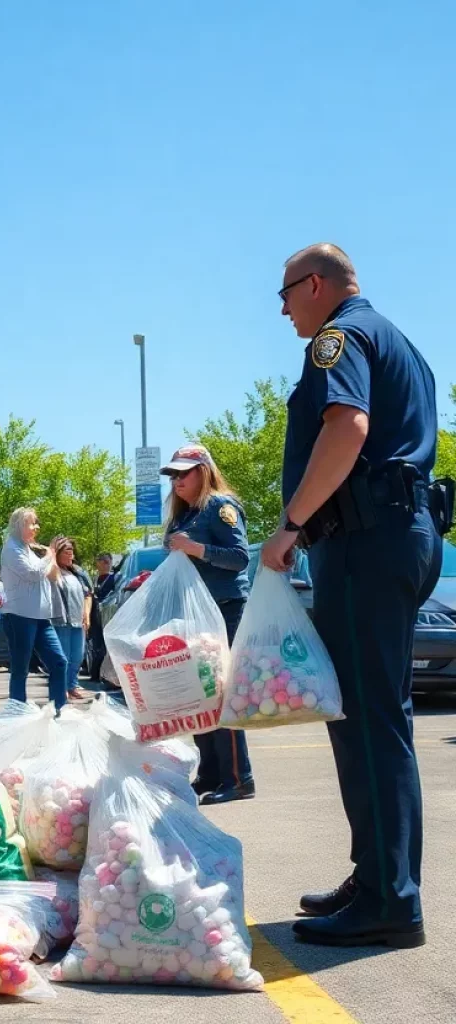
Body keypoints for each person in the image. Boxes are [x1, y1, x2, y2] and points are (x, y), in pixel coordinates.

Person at [262, 243, 441, 948]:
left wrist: (292, 526)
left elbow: (348, 427)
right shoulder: (401, 342)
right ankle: (379, 879)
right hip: (399, 535)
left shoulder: (341, 337)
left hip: (367, 544)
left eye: (283, 294)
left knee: (367, 723)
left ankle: (390, 901)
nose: (281, 309)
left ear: (314, 284)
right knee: (378, 720)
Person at [160, 444, 254, 806]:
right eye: (173, 475)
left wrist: (195, 548)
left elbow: (240, 558)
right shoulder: (184, 517)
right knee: (200, 697)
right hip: (194, 615)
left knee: (221, 695)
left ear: (204, 470)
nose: (177, 480)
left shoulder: (220, 506)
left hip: (224, 611)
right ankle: (211, 774)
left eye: (184, 473)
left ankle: (238, 777)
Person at [0, 508, 68, 710]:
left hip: (41, 617)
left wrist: (51, 558)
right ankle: (17, 712)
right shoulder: (11, 549)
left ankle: (59, 711)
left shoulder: (29, 549)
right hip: (19, 615)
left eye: (36, 523)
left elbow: (51, 576)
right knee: (21, 668)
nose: (36, 527)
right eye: (32, 523)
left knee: (59, 662)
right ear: (19, 525)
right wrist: (50, 555)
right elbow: (32, 574)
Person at [50, 537, 92, 700]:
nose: (70, 556)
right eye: (66, 552)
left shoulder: (78, 572)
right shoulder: (52, 571)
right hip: (61, 621)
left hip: (78, 621)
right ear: (57, 554)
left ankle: (72, 685)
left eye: (71, 552)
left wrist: (86, 615)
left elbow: (87, 595)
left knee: (77, 656)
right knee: (64, 657)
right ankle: (62, 688)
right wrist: (51, 556)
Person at [88, 553, 119, 681]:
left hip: (109, 617)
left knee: (107, 647)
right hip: (94, 616)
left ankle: (106, 676)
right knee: (96, 646)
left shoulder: (115, 578)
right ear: (98, 563)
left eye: (108, 561)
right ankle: (95, 675)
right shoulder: (94, 579)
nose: (106, 564)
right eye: (103, 561)